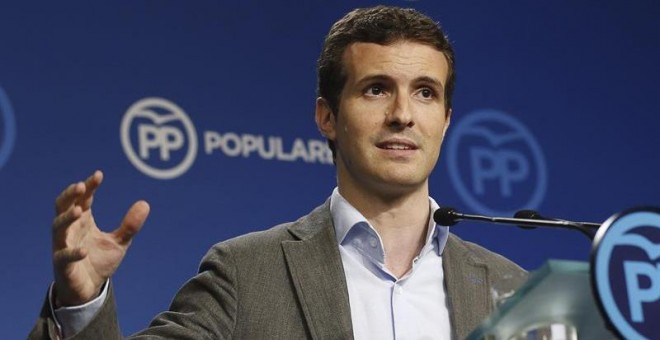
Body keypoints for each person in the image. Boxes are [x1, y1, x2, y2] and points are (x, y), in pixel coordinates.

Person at [30, 5, 526, 340]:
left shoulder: (512, 288)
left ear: (445, 119)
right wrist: (85, 302)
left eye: (425, 92)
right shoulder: (246, 273)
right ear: (327, 117)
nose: (403, 114)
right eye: (376, 89)